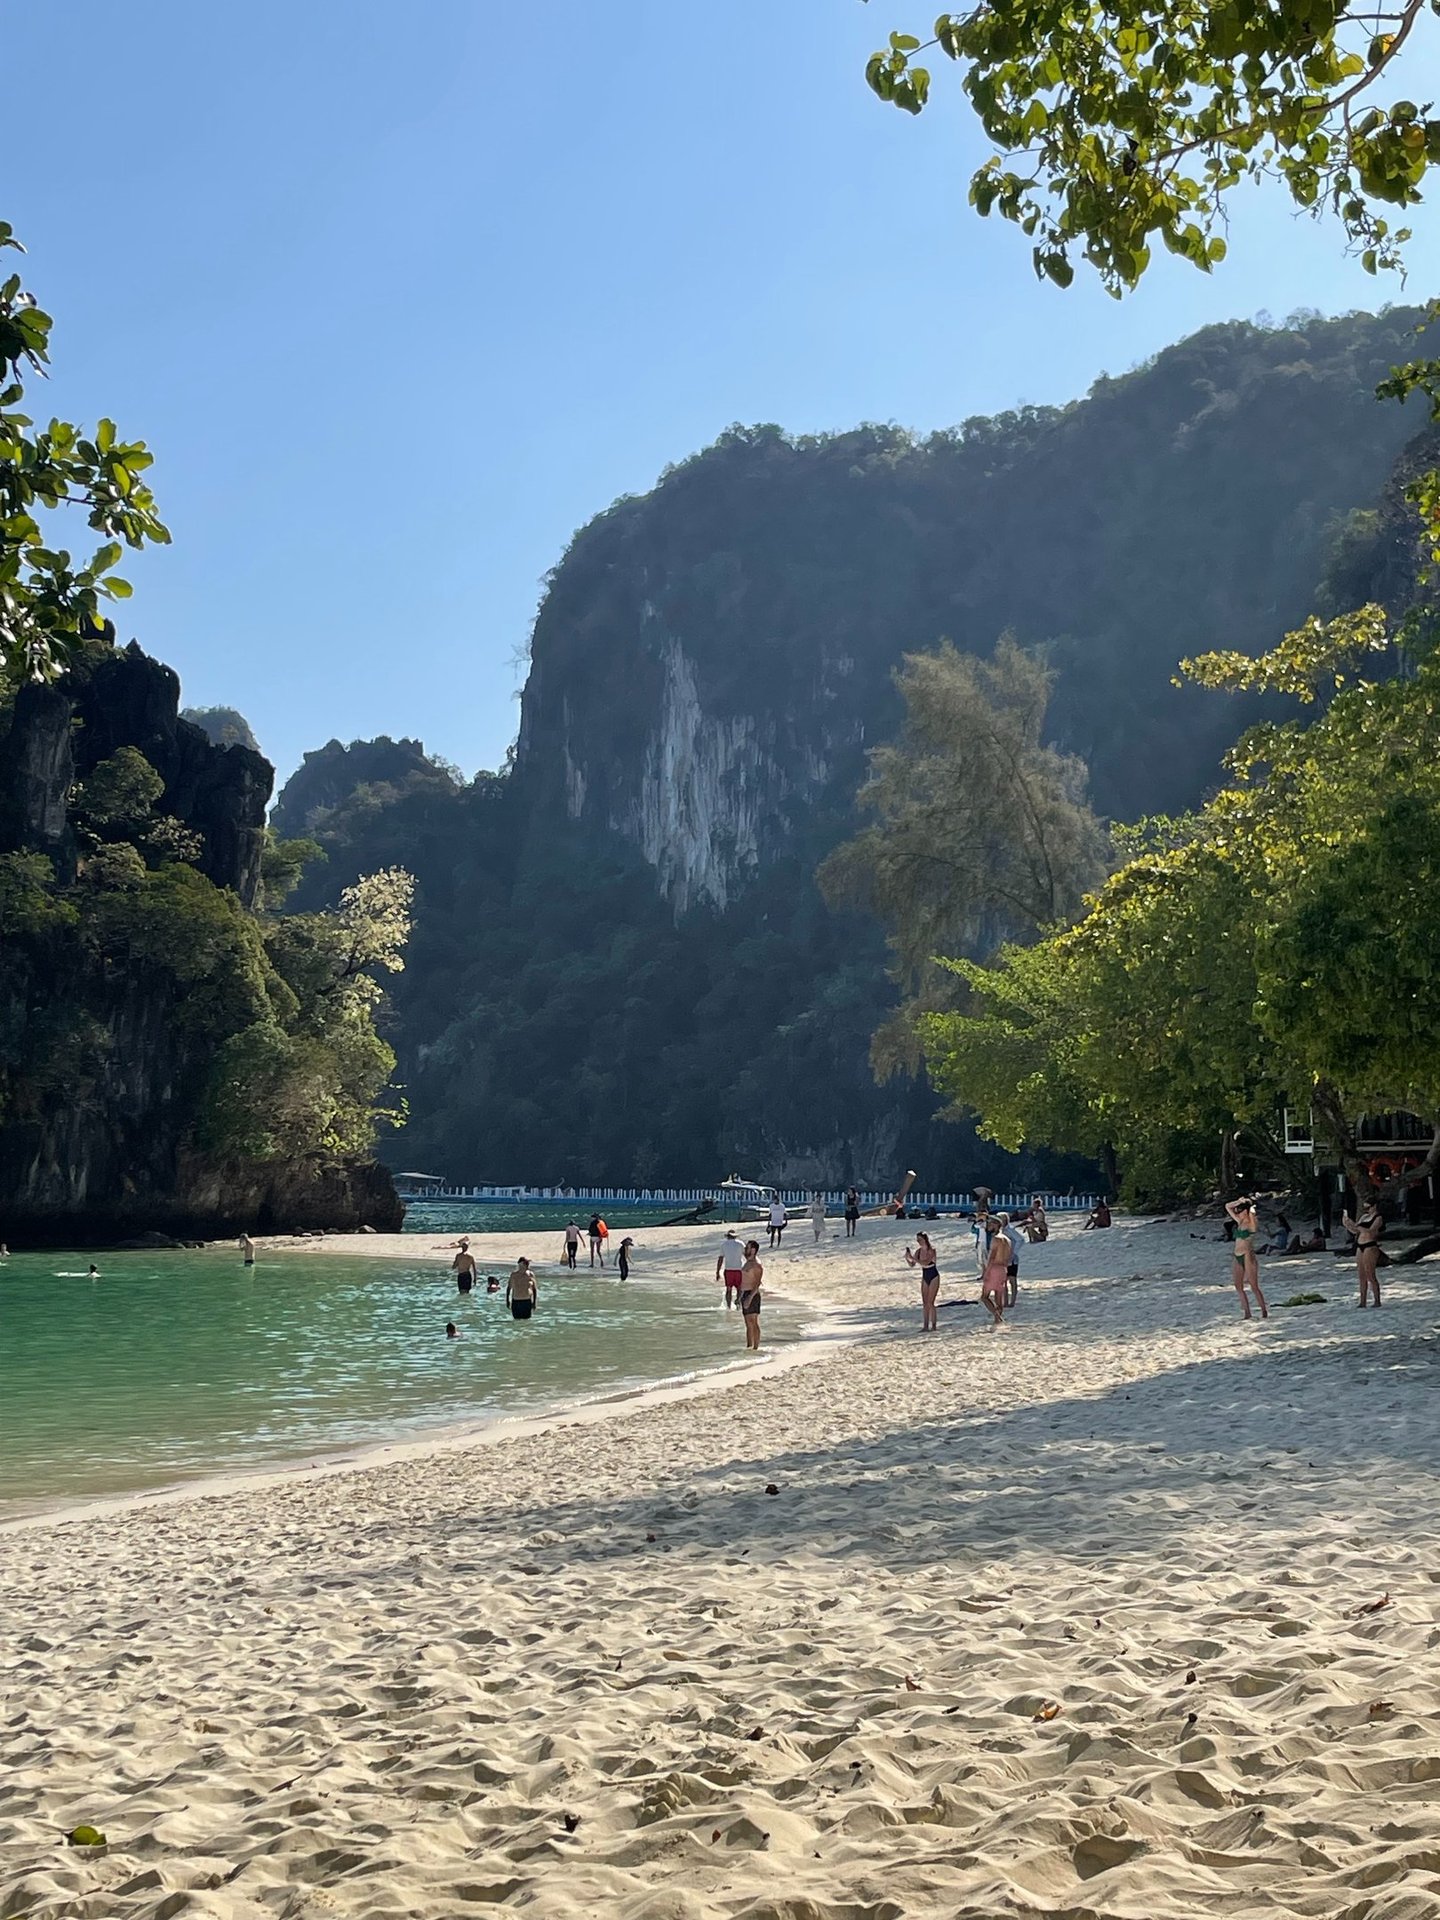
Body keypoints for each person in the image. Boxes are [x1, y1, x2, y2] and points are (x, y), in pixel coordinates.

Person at [1224, 1196, 1268, 1321]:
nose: (1238, 1213)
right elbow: (1227, 1206)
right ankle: (1247, 1312)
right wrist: (1239, 1202)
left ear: (1246, 1211)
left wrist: (1251, 1210)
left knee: (1253, 1285)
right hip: (1237, 1255)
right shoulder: (1240, 1222)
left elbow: (1254, 1223)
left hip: (1248, 1255)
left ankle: (1263, 1310)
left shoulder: (1250, 1223)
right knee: (1238, 1286)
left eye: (1241, 1211)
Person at [1341, 1197, 1384, 1307]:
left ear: (1374, 1206)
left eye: (1368, 1208)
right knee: (1361, 1275)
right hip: (1360, 1245)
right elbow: (1356, 1231)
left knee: (1370, 1274)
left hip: (1370, 1245)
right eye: (1364, 1208)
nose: (1366, 1210)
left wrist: (1358, 1226)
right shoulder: (1364, 1217)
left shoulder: (1378, 1218)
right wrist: (1348, 1224)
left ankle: (1377, 1300)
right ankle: (1362, 1301)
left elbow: (1370, 1232)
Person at [904, 1231, 942, 1332]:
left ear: (925, 1239)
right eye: (917, 1240)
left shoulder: (931, 1250)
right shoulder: (918, 1252)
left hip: (933, 1275)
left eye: (920, 1240)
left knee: (931, 1302)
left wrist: (914, 1259)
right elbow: (912, 1264)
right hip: (925, 1275)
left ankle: (933, 1326)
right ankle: (925, 1326)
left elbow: (926, 1262)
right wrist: (907, 1258)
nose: (919, 1242)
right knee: (925, 1303)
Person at [980, 1219, 1010, 1327]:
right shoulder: (1007, 1240)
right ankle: (997, 1321)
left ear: (996, 1225)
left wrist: (986, 1273)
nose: (989, 1226)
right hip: (1003, 1269)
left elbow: (992, 1258)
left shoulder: (996, 1239)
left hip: (994, 1268)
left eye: (991, 1224)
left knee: (984, 1296)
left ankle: (998, 1317)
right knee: (998, 1297)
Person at [739, 1239, 764, 1349]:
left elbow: (757, 1282)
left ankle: (756, 1347)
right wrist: (740, 1296)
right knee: (747, 1323)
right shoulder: (747, 1262)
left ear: (753, 1250)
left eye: (747, 1248)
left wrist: (750, 1297)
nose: (745, 1250)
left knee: (753, 1322)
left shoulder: (756, 1265)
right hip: (744, 1293)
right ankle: (749, 1347)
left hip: (752, 1294)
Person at [998, 1210, 1020, 1307]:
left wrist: (1013, 1251)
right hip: (1002, 1258)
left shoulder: (1010, 1230)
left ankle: (1013, 1301)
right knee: (1003, 1281)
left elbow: (1020, 1240)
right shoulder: (999, 1231)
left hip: (1012, 1259)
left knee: (1012, 1280)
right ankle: (1005, 1302)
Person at [716, 1229, 744, 1306]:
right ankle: (738, 1303)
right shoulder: (740, 1244)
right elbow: (746, 1255)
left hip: (728, 1270)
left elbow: (720, 1259)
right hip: (739, 1269)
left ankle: (728, 1306)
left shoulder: (724, 1245)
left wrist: (718, 1272)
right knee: (739, 1288)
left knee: (728, 1289)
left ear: (727, 1237)